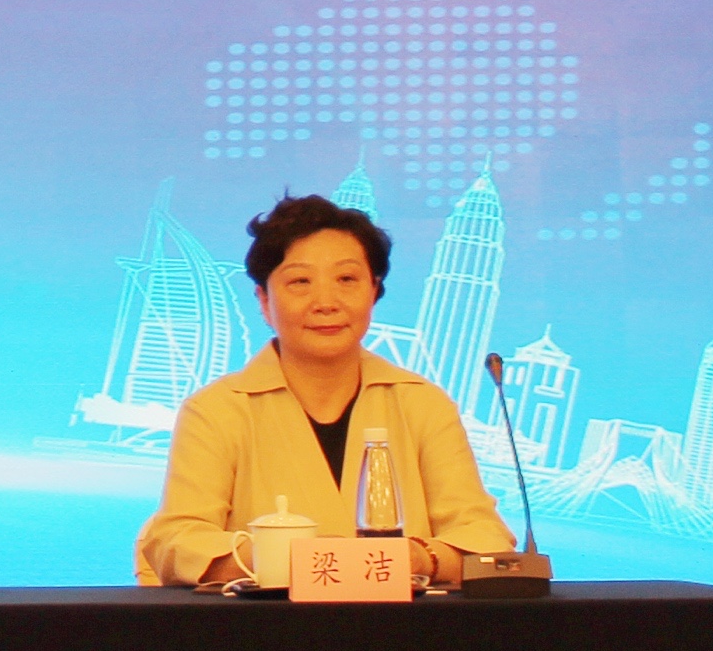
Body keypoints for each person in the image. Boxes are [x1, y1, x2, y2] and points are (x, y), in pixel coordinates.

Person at [133, 191, 515, 588]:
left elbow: (485, 537)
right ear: (264, 300)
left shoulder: (422, 404)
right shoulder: (217, 409)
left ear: (374, 291)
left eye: (346, 279)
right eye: (300, 281)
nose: (326, 302)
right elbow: (177, 543)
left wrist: (417, 559)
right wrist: (297, 559)